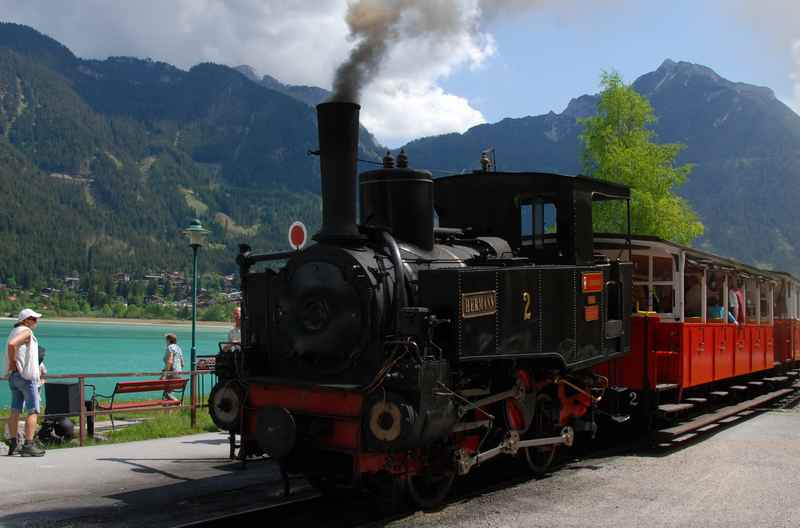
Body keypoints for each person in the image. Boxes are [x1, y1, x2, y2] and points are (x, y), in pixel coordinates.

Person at [5, 308, 45, 456]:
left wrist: (11, 366)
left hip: (14, 377)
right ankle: (28, 444)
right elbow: (12, 345)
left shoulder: (13, 332)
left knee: (15, 409)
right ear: (25, 320)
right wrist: (13, 361)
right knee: (33, 410)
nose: (36, 322)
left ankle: (14, 442)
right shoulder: (26, 332)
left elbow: (10, 345)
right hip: (26, 378)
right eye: (34, 319)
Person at [161, 333, 185, 401]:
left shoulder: (170, 347)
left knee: (167, 394)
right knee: (168, 393)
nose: (165, 341)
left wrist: (164, 374)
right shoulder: (179, 348)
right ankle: (169, 410)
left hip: (171, 373)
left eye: (166, 340)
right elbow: (182, 363)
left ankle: (177, 403)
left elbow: (170, 361)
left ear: (169, 340)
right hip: (179, 374)